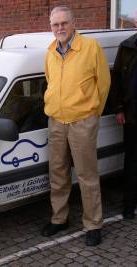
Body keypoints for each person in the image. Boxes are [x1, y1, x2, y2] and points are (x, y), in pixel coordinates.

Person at [42, 6, 111, 246]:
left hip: (82, 121)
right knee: (58, 173)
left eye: (63, 23)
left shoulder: (91, 48)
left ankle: (93, 224)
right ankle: (59, 218)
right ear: (51, 27)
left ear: (73, 23)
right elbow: (51, 82)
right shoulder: (50, 51)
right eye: (55, 24)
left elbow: (103, 84)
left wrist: (93, 115)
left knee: (86, 175)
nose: (59, 28)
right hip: (56, 122)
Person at [111, 14, 137, 220]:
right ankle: (129, 205)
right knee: (132, 161)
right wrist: (119, 109)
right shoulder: (126, 47)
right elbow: (117, 80)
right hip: (132, 116)